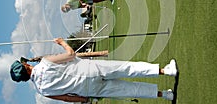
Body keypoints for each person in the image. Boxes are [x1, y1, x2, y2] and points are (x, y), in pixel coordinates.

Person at [10, 38, 178, 103]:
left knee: (128, 89)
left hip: (89, 89)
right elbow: (71, 54)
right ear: (26, 66)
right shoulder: (45, 63)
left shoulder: (41, 91)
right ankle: (166, 71)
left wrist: (85, 100)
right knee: (127, 68)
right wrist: (62, 42)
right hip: (89, 70)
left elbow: (67, 98)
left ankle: (166, 95)